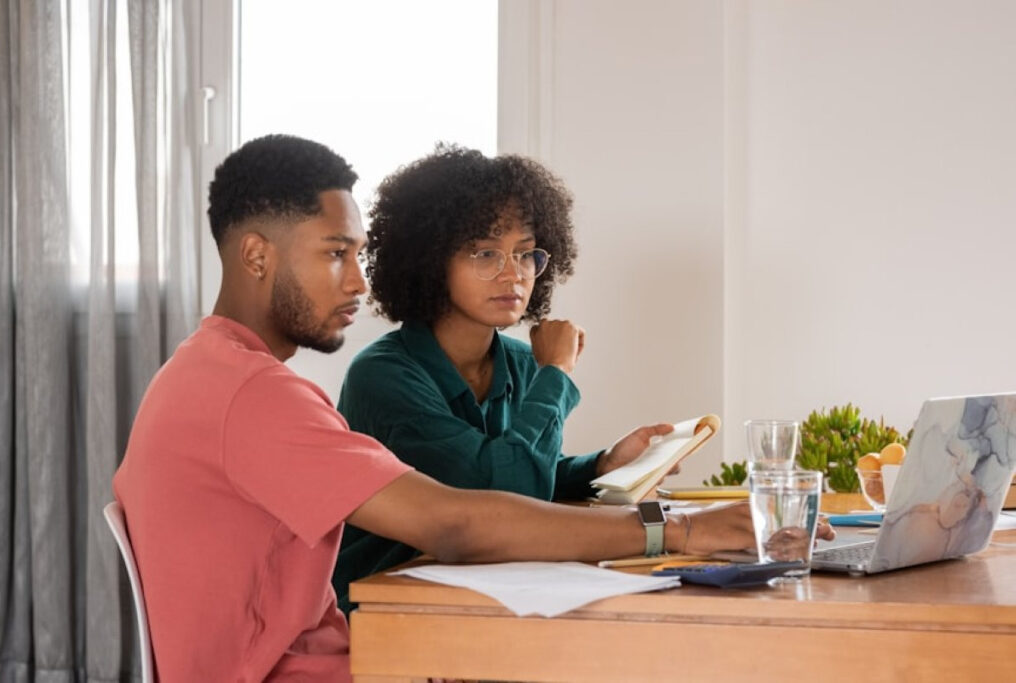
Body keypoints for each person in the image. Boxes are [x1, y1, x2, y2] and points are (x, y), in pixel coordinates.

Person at [112, 134, 770, 682]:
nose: (357, 280)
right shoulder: (256, 394)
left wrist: (601, 470)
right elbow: (457, 521)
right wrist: (678, 531)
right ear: (257, 255)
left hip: (369, 652)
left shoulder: (215, 372)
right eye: (336, 254)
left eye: (357, 254)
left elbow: (478, 502)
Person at [334, 145, 675, 607]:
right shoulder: (383, 376)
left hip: (482, 597)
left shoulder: (519, 361)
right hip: (384, 607)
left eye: (525, 254)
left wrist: (602, 467)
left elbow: (520, 472)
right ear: (431, 260)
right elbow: (503, 496)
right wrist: (555, 372)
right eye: (485, 253)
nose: (513, 274)